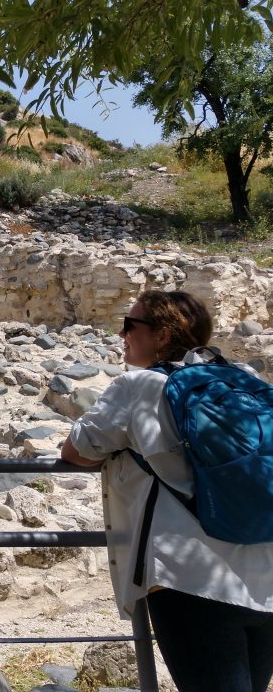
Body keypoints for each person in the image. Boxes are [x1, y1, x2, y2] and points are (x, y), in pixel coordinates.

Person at [61, 290, 273, 692]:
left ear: (161, 336)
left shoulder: (138, 386)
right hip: (265, 571)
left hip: (193, 581)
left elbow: (76, 451)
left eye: (131, 325)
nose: (121, 333)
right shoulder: (243, 376)